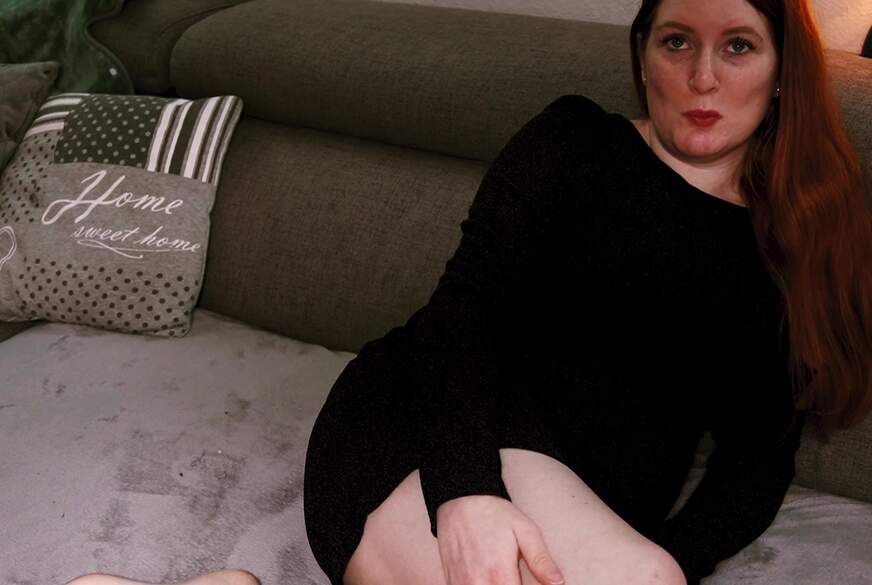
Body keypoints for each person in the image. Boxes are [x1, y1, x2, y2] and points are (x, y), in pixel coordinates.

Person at [65, 0, 872, 584]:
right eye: (676, 41)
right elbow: (463, 313)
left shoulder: (792, 239)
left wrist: (665, 562)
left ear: (782, 71)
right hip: (426, 429)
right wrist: (467, 494)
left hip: (586, 498)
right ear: (642, 56)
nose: (701, 76)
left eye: (738, 46)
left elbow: (757, 460)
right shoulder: (575, 141)